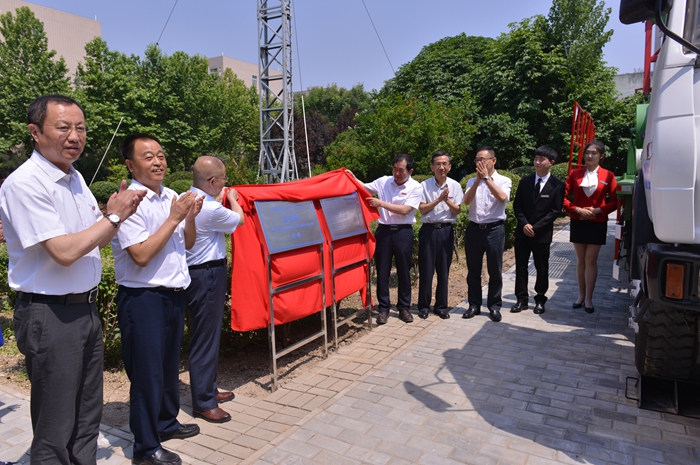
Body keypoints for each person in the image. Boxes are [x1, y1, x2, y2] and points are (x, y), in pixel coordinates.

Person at [0, 94, 145, 465]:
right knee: (56, 423)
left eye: (80, 128)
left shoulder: (75, 177)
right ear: (35, 132)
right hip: (50, 315)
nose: (75, 136)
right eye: (63, 127)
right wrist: (113, 217)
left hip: (84, 310)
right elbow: (64, 252)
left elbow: (93, 238)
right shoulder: (25, 183)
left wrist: (115, 216)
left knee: (86, 415)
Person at [112, 134, 203, 465]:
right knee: (146, 374)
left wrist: (188, 217)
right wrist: (175, 217)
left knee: (166, 367)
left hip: (173, 294)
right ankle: (146, 447)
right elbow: (140, 255)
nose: (158, 162)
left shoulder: (172, 197)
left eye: (161, 155)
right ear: (130, 164)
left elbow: (187, 244)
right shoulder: (129, 203)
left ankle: (166, 423)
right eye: (148, 156)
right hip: (143, 298)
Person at [185, 156, 244, 423]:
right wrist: (232, 199)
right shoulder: (209, 208)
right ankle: (203, 401)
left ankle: (208, 388)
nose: (225, 183)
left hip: (197, 274)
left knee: (205, 334)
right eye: (222, 179)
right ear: (211, 181)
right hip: (207, 274)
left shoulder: (187, 198)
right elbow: (239, 220)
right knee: (205, 338)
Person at [363, 154, 422, 325]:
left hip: (403, 232)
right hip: (384, 232)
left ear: (410, 171)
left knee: (404, 270)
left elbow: (405, 210)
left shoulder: (416, 187)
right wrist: (349, 176)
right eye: (395, 169)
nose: (397, 173)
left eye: (401, 170)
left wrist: (381, 203)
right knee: (382, 271)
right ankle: (383, 308)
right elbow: (363, 188)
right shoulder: (383, 182)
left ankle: (404, 307)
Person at [563, 140, 617, 314]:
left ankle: (588, 299)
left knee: (591, 260)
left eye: (594, 153)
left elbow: (616, 201)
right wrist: (577, 209)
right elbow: (562, 197)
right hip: (578, 220)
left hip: (597, 222)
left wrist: (598, 210)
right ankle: (580, 295)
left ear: (601, 156)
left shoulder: (609, 175)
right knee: (580, 260)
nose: (590, 156)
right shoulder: (575, 174)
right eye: (587, 152)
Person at [511, 146, 565, 315]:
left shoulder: (557, 185)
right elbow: (517, 205)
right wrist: (524, 224)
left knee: (541, 267)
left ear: (551, 162)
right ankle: (521, 299)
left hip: (542, 234)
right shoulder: (525, 182)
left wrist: (536, 227)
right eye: (536, 158)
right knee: (521, 266)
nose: (537, 162)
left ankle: (540, 299)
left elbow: (555, 211)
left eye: (542, 159)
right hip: (523, 232)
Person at [462, 146, 512, 322]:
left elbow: (502, 197)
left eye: (482, 160)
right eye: (477, 160)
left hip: (494, 229)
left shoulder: (504, 180)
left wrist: (486, 179)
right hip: (474, 229)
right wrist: (477, 181)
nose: (479, 163)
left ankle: (494, 306)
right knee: (473, 270)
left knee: (495, 270)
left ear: (493, 160)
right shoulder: (471, 181)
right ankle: (474, 305)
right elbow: (466, 201)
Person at [417, 151, 463, 319]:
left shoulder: (455, 185)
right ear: (432, 167)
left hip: (446, 231)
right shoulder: (424, 185)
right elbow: (422, 209)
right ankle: (423, 306)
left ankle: (441, 306)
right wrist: (438, 200)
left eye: (444, 164)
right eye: (438, 164)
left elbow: (457, 210)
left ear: (449, 167)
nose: (441, 167)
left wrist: (447, 200)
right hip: (428, 230)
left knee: (443, 271)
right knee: (426, 270)